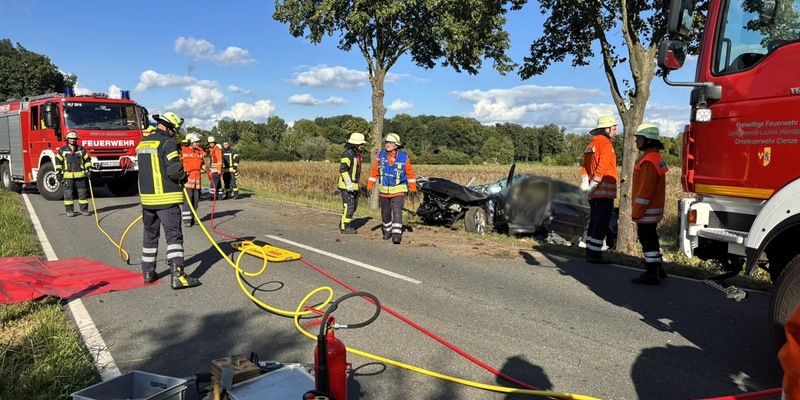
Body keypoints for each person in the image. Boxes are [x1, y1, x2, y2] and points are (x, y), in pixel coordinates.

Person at [136, 112, 200, 289]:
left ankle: (148, 272)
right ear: (170, 128)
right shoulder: (167, 142)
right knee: (173, 236)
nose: (174, 133)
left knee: (150, 236)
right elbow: (173, 170)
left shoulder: (143, 142)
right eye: (175, 130)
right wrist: (183, 175)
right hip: (166, 198)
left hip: (147, 200)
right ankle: (178, 275)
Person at [630, 124, 669, 285]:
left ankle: (652, 273)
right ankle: (659, 269)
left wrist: (637, 211)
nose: (636, 141)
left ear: (648, 140)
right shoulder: (655, 158)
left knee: (647, 240)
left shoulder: (648, 161)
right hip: (653, 210)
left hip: (646, 211)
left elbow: (645, 191)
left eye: (639, 138)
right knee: (651, 238)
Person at [580, 115, 619, 264]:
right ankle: (595, 255)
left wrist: (586, 182)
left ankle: (590, 251)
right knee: (602, 222)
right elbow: (602, 167)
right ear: (607, 129)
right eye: (614, 129)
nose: (615, 132)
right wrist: (595, 183)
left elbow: (584, 167)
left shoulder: (591, 144)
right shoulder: (606, 144)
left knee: (594, 221)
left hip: (594, 192)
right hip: (603, 191)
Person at [367, 133, 417, 244]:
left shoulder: (404, 157)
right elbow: (374, 172)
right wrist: (370, 186)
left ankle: (396, 234)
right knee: (385, 212)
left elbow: (410, 174)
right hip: (384, 192)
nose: (388, 144)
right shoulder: (380, 156)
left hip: (399, 191)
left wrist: (412, 188)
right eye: (387, 142)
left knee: (397, 210)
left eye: (391, 143)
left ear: (396, 145)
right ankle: (387, 231)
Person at [55, 131, 93, 217]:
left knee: (83, 194)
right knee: (68, 195)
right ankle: (70, 211)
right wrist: (58, 172)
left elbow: (87, 160)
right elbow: (58, 162)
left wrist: (89, 170)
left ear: (76, 139)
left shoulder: (81, 149)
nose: (72, 140)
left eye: (74, 139)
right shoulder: (62, 150)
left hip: (81, 175)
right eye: (71, 138)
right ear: (67, 139)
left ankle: (84, 210)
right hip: (68, 176)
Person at [338, 132, 366, 234]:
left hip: (353, 185)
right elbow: (343, 170)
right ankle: (344, 227)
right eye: (361, 144)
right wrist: (348, 184)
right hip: (346, 185)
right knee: (349, 206)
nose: (362, 146)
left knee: (353, 206)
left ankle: (344, 222)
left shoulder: (356, 154)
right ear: (356, 144)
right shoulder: (348, 154)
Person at [181, 133, 207, 227]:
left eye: (198, 142)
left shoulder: (199, 152)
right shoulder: (183, 150)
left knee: (196, 200)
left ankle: (192, 217)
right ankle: (187, 220)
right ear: (190, 142)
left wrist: (206, 169)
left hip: (197, 180)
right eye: (196, 142)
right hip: (188, 180)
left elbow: (202, 163)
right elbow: (178, 162)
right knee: (188, 200)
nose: (197, 144)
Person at [207, 136, 223, 200]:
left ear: (214, 142)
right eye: (210, 143)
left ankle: (212, 196)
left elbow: (219, 160)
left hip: (216, 169)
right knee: (217, 182)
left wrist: (219, 169)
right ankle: (219, 195)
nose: (211, 144)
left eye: (212, 142)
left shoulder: (217, 149)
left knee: (214, 182)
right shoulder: (212, 149)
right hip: (213, 169)